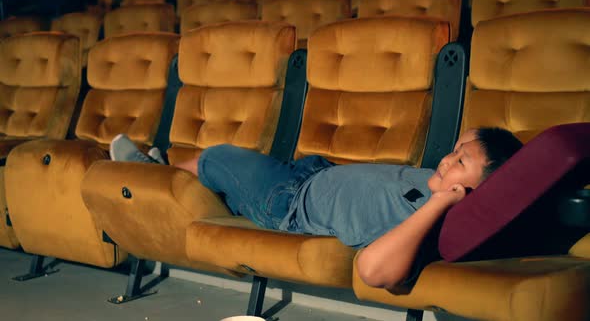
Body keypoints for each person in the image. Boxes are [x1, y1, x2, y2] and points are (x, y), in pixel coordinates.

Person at [109, 127, 523, 291]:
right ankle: (162, 166)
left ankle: (151, 169)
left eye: (460, 163)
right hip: (314, 173)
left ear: (471, 192)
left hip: (288, 202)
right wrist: (467, 159)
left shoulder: (431, 217)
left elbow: (376, 271)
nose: (448, 160)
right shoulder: (441, 179)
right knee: (229, 182)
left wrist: (443, 201)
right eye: (454, 152)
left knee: (217, 157)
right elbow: (475, 139)